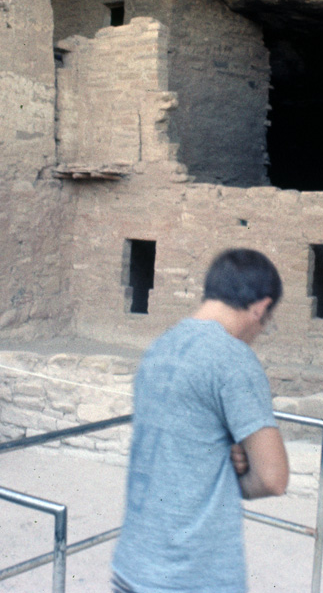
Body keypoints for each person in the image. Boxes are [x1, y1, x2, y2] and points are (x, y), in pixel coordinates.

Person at [111, 248, 290, 593]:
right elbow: (273, 478)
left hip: (133, 565)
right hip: (191, 576)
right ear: (261, 307)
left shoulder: (160, 347)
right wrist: (232, 478)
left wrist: (221, 463)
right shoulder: (232, 358)